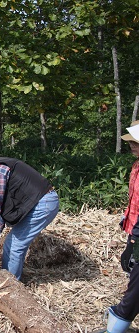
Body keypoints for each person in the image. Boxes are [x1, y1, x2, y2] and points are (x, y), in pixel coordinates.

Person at [0, 149, 59, 280]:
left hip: (42, 204)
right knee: (13, 244)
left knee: (13, 246)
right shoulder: (0, 165)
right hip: (42, 201)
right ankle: (11, 278)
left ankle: (9, 285)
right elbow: (5, 204)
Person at [92, 123, 139, 332]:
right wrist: (127, 218)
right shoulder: (137, 165)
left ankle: (119, 320)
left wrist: (135, 237)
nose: (131, 145)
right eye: (130, 142)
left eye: (135, 142)